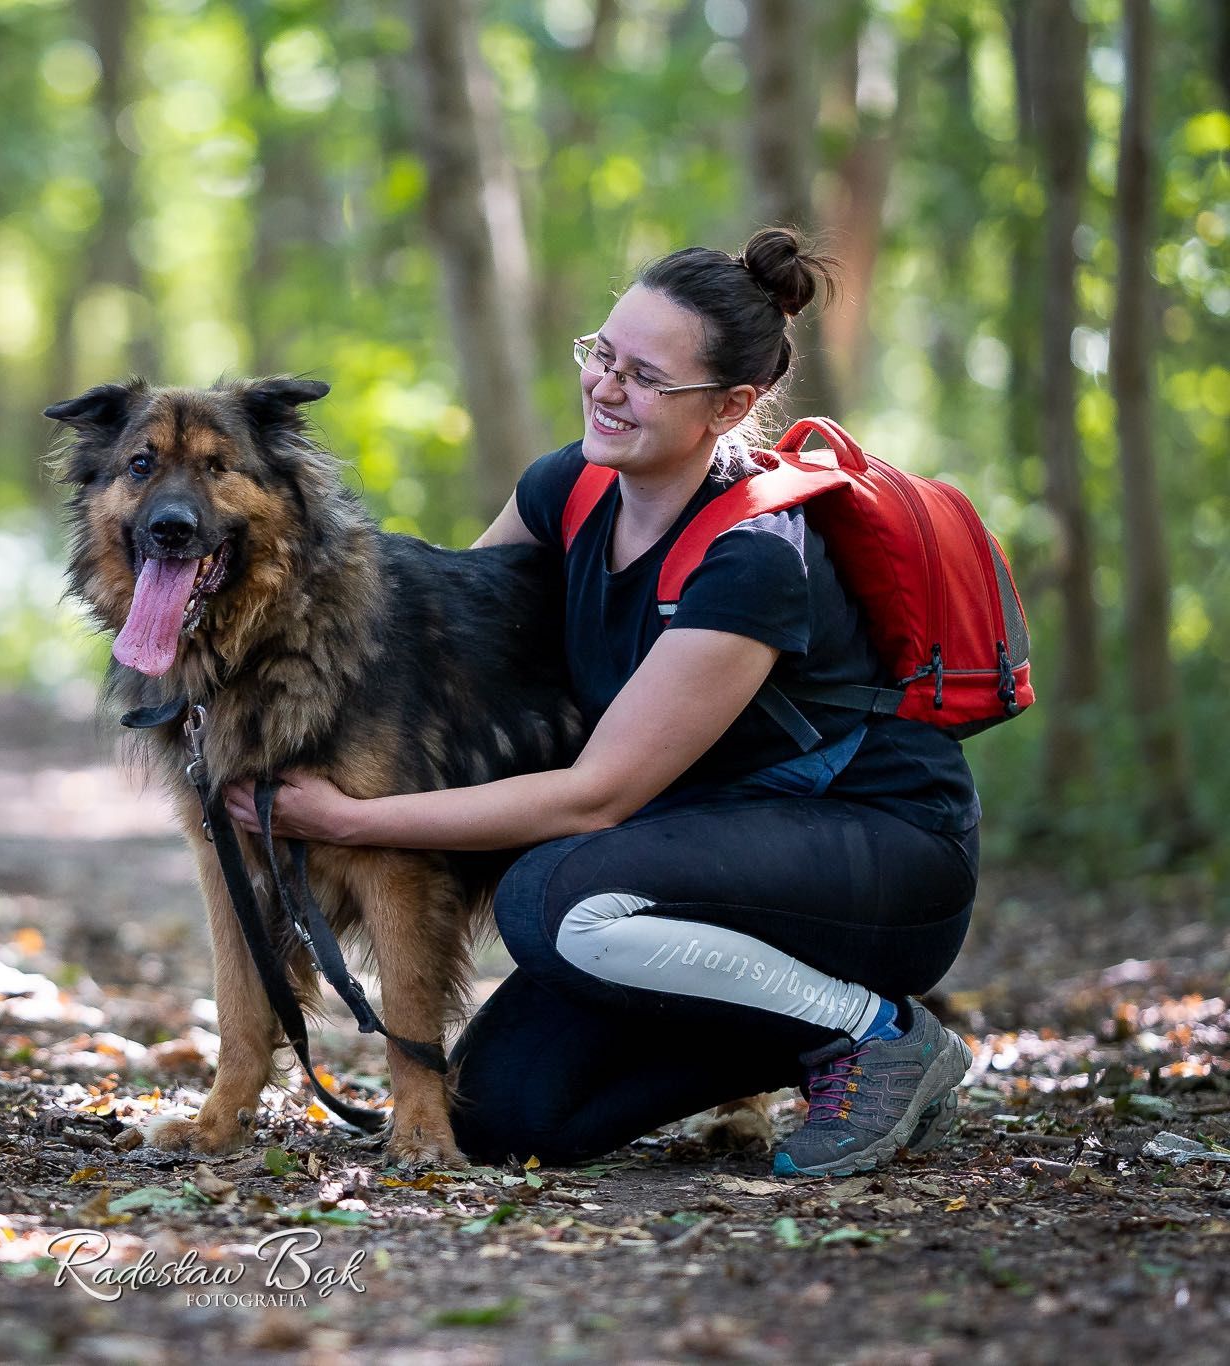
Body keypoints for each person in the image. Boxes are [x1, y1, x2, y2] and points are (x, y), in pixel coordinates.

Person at [224, 228, 981, 1177]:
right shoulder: (566, 491)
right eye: (602, 355)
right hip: (697, 874)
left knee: (558, 898)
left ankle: (875, 1032)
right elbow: (446, 645)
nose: (606, 387)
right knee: (503, 1114)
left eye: (645, 377)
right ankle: (773, 1041)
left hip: (878, 856)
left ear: (731, 405)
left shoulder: (754, 560)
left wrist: (348, 815)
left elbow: (595, 799)